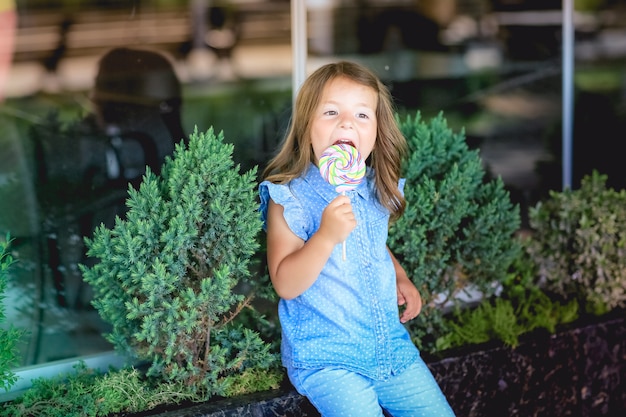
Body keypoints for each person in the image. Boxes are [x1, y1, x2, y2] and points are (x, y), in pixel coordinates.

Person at [259, 61, 456, 416]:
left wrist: (399, 275)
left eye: (362, 115)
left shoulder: (371, 187)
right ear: (307, 127)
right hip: (329, 359)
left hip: (390, 348)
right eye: (331, 112)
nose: (347, 122)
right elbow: (286, 283)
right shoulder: (292, 198)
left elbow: (372, 242)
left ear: (378, 131)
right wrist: (325, 236)